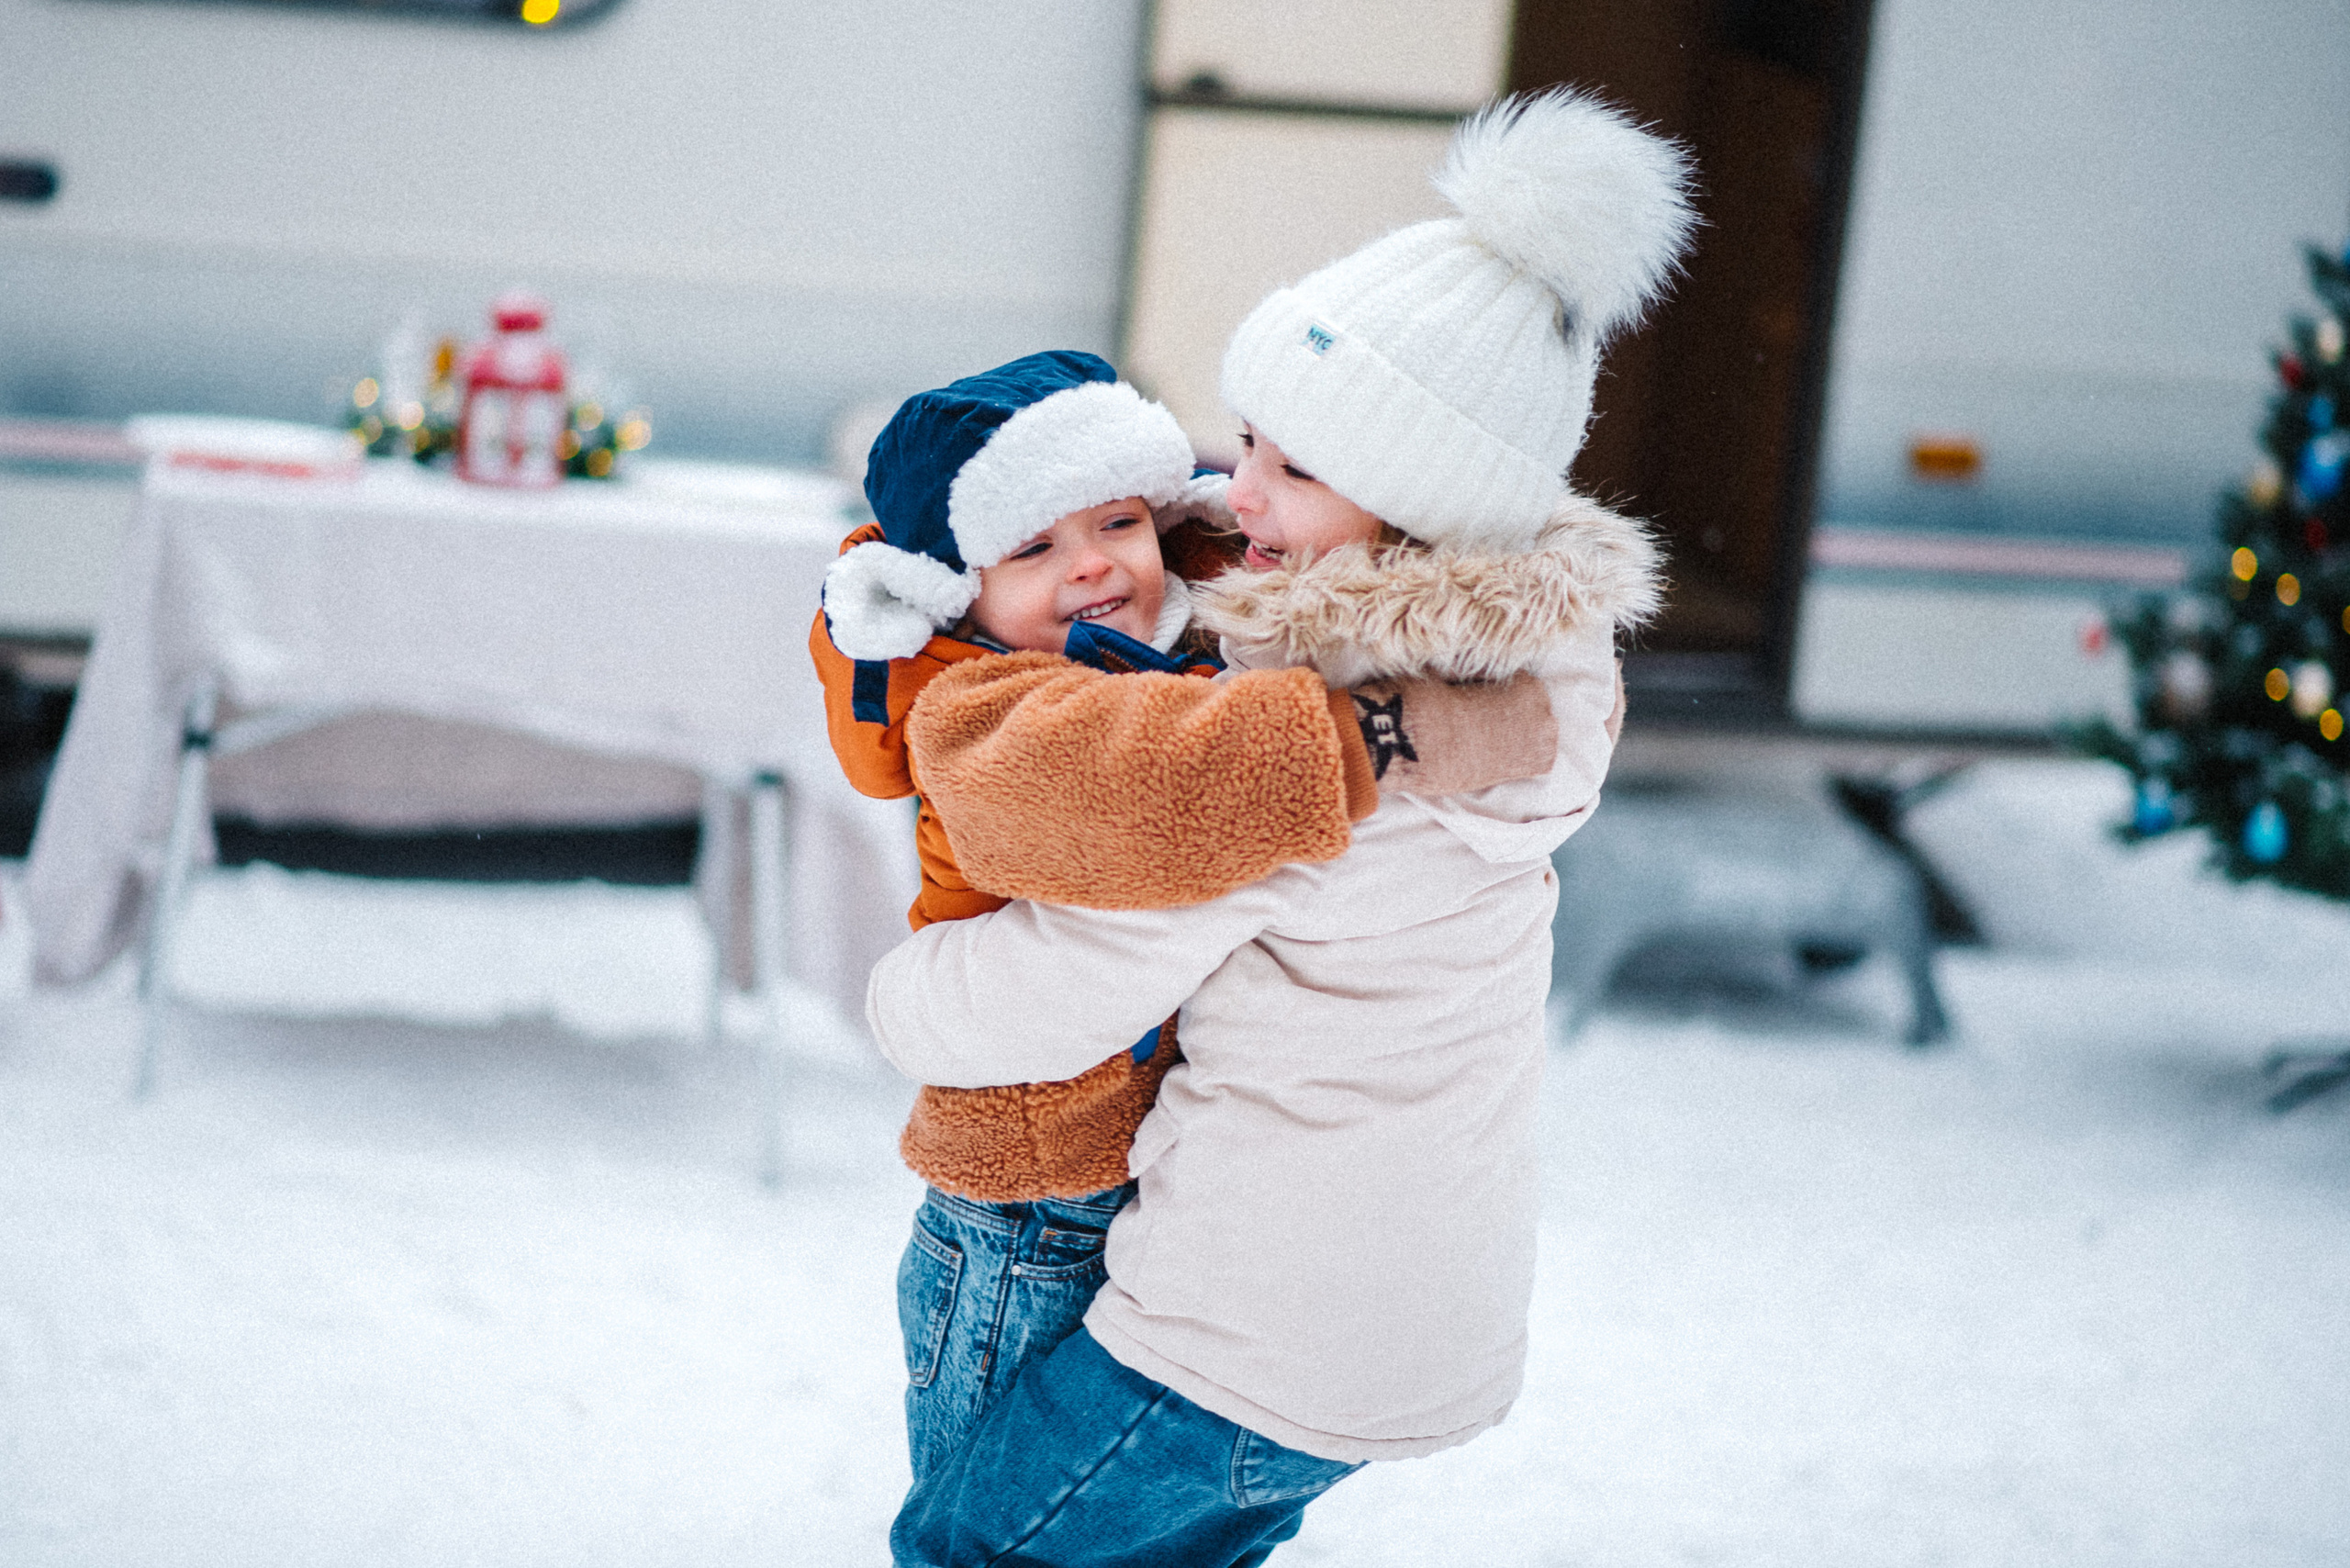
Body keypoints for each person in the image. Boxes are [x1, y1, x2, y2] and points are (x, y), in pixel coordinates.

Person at [865, 89, 1695, 1566]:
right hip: (1389, 1321)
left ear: (1423, 508)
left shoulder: (1311, 744)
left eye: (1290, 472)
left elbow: (1063, 982)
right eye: (1246, 439)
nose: (1232, 488)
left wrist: (903, 997)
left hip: (1242, 1330)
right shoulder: (1530, 671)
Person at [809, 350, 1542, 1487]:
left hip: (1146, 1184)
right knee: (990, 1527)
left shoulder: (1149, 647)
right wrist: (1390, 735)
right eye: (1034, 547)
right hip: (1028, 1207)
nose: (1093, 566)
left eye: (1116, 522)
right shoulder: (979, 705)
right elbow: (1155, 793)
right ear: (957, 590)